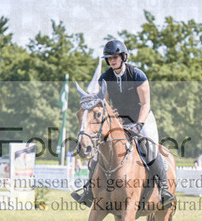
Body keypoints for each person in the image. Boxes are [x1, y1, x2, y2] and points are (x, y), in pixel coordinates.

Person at [71, 39, 175, 207]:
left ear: (124, 57)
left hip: (142, 118)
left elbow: (146, 104)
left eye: (115, 57)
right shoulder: (105, 78)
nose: (112, 60)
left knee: (150, 148)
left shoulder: (137, 75)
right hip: (119, 121)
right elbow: (104, 105)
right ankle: (89, 191)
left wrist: (139, 125)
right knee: (99, 153)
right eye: (109, 58)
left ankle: (164, 189)